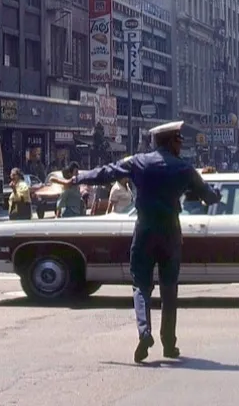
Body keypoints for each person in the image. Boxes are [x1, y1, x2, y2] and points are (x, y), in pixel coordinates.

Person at [54, 121, 221, 363]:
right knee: (169, 289)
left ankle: (144, 332)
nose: (181, 145)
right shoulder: (184, 168)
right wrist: (215, 190)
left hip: (143, 230)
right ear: (171, 141)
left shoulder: (139, 162)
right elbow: (208, 196)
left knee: (141, 286)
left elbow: (106, 172)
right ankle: (169, 344)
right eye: (178, 140)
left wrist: (77, 178)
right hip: (170, 233)